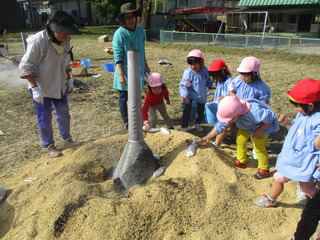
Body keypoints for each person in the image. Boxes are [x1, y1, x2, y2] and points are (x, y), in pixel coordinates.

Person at [19, 10, 81, 158]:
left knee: (64, 113)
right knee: (45, 117)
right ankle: (49, 145)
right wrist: (34, 88)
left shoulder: (66, 40)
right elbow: (26, 66)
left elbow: (66, 61)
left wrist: (69, 78)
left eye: (68, 33)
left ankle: (67, 139)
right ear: (53, 29)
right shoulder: (39, 41)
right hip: (41, 87)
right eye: (63, 33)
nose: (66, 36)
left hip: (59, 83)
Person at [255, 79, 320, 211]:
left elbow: (315, 146)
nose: (295, 108)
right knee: (279, 177)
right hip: (292, 158)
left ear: (311, 105)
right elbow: (297, 135)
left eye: (297, 105)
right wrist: (287, 124)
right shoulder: (303, 113)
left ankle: (316, 206)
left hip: (303, 162)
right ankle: (271, 199)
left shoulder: (317, 120)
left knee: (307, 187)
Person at [199, 96, 279, 179]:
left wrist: (261, 129)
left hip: (261, 127)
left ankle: (264, 169)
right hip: (246, 126)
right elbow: (221, 125)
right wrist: (208, 137)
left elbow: (270, 117)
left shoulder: (254, 112)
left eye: (228, 119)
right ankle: (241, 161)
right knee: (240, 141)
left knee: (259, 147)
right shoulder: (233, 108)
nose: (226, 121)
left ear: (236, 116)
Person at [112, 2, 150, 130]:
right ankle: (126, 121)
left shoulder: (140, 31)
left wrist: (146, 65)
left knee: (137, 96)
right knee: (124, 98)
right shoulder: (119, 34)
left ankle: (137, 118)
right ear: (123, 19)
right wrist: (121, 75)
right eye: (128, 18)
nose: (131, 20)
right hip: (125, 71)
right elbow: (117, 56)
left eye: (132, 17)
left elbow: (142, 50)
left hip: (138, 69)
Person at [179, 49, 213, 132]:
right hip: (190, 93)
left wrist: (209, 85)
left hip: (200, 93)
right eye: (190, 64)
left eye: (194, 64)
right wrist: (184, 95)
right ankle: (184, 126)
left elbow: (207, 78)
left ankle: (197, 123)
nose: (192, 66)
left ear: (200, 62)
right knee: (187, 109)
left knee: (200, 109)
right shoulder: (188, 72)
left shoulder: (205, 70)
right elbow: (184, 85)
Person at [208, 60, 233, 147]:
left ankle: (217, 144)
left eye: (217, 76)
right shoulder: (220, 80)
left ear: (223, 72)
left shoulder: (230, 81)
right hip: (221, 105)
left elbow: (233, 95)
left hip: (228, 106)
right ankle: (227, 136)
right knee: (226, 124)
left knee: (224, 123)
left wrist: (225, 97)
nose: (216, 78)